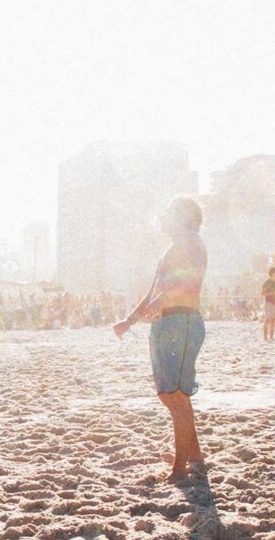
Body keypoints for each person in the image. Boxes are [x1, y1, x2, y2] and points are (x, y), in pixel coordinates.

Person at [114, 197, 207, 483]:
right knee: (169, 394)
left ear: (182, 216)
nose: (162, 216)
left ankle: (180, 469)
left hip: (181, 322)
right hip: (166, 323)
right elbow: (153, 290)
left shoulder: (191, 242)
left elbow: (188, 283)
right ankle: (194, 455)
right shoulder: (173, 247)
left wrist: (161, 300)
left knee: (177, 395)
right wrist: (129, 321)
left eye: (168, 211)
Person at [262, 268, 275, 341]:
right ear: (272, 273)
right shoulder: (267, 283)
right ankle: (265, 337)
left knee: (273, 320)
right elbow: (262, 293)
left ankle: (271, 337)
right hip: (268, 303)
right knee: (267, 319)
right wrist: (272, 293)